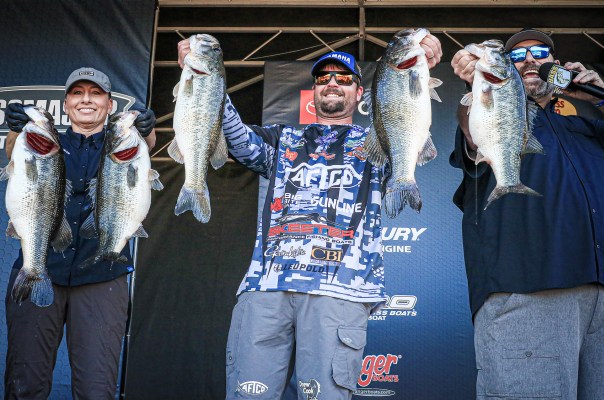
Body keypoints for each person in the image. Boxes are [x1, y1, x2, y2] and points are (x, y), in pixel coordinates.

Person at [178, 36, 442, 399]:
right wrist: (205, 74)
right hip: (267, 286)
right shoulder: (283, 138)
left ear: (360, 92)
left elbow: (410, 121)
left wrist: (423, 65)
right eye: (323, 78)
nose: (332, 83)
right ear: (314, 89)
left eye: (343, 78)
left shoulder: (377, 141)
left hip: (341, 288)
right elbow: (234, 137)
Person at [450, 28, 604, 399]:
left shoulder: (587, 127)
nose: (530, 60)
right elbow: (471, 130)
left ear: (557, 64)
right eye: (517, 56)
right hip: (528, 287)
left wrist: (603, 98)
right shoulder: (495, 119)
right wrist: (480, 85)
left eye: (541, 53)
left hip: (599, 294)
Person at [3, 67, 157, 399]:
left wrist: (146, 129)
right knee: (24, 382)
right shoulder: (47, 141)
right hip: (42, 266)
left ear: (109, 104)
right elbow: (15, 152)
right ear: (67, 103)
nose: (86, 99)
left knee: (96, 389)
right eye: (77, 93)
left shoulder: (122, 141)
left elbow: (144, 147)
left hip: (103, 276)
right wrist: (16, 129)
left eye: (96, 93)